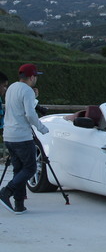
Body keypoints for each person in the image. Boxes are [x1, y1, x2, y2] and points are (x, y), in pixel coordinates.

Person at [0, 64, 49, 214]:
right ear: (32, 77)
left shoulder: (12, 88)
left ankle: (19, 205)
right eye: (36, 76)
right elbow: (30, 114)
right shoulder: (27, 91)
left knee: (19, 169)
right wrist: (42, 128)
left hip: (9, 136)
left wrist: (33, 97)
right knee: (30, 168)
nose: (36, 79)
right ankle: (6, 192)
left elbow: (16, 108)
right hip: (22, 136)